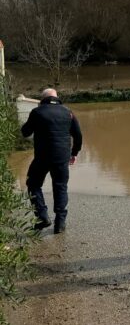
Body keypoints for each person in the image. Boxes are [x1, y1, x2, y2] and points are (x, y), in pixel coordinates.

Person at [22, 88, 82, 234]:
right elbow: (78, 135)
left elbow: (25, 132)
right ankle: (60, 223)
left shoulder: (38, 112)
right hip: (62, 157)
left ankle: (42, 216)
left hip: (42, 157)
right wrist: (74, 153)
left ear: (43, 99)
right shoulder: (68, 112)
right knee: (60, 187)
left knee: (33, 184)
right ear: (57, 97)